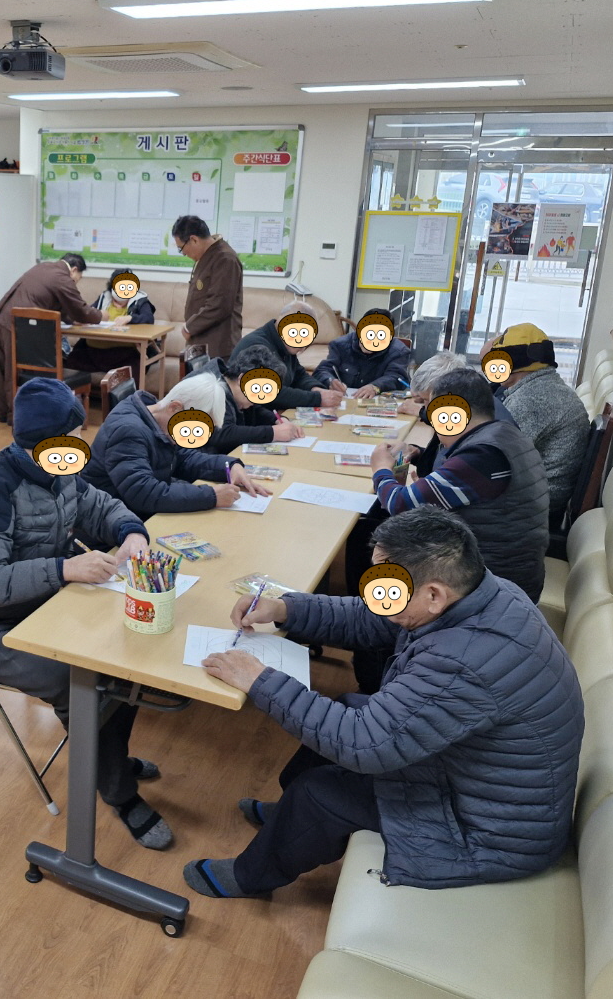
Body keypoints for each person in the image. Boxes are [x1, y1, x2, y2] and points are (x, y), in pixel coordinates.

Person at [182, 507, 583, 900]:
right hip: (474, 779)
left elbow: (363, 744)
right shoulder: (482, 593)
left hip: (490, 832)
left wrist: (259, 680)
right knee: (347, 705)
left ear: (433, 594)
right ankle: (286, 817)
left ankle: (249, 877)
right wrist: (287, 608)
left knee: (319, 793)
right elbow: (370, 617)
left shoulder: (463, 662)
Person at [0, 379, 173, 849]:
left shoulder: (60, 470)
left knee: (124, 656)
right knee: (81, 681)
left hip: (37, 604)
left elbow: (100, 506)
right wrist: (65, 568)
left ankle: (110, 762)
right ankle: (119, 791)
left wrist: (131, 531)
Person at [369, 369, 549, 602]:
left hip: (492, 584)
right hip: (505, 569)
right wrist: (418, 453)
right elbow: (458, 474)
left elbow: (399, 504)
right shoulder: (502, 434)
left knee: (375, 539)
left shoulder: (482, 456)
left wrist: (381, 468)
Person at [82, 372, 266, 520]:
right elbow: (143, 493)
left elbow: (185, 458)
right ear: (175, 407)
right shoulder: (128, 431)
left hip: (142, 515)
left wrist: (229, 466)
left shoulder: (160, 420)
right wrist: (211, 496)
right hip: (113, 528)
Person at [491, 324, 591, 526]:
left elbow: (493, 457)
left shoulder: (534, 399)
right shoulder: (545, 387)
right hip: (537, 498)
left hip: (529, 509)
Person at [0, 253, 105, 422]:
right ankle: (17, 418)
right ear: (74, 270)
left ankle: (4, 414)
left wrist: (72, 320)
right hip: (16, 325)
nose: (76, 282)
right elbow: (81, 310)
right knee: (14, 371)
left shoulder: (43, 267)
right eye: (78, 278)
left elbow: (53, 302)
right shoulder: (62, 277)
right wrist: (101, 316)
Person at [231, 300, 346, 410]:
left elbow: (299, 375)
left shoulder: (284, 344)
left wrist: (316, 389)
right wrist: (317, 398)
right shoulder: (256, 345)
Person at [205, 346, 305, 451]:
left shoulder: (235, 390)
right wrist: (273, 433)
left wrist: (277, 420)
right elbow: (222, 433)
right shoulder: (211, 390)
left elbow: (255, 410)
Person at [63, 268, 156, 380]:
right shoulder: (104, 298)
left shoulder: (140, 300)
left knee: (135, 367)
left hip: (123, 353)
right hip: (93, 351)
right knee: (71, 361)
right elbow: (88, 313)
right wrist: (82, 319)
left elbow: (148, 318)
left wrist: (130, 318)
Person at [173, 215, 242, 358]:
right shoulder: (206, 255)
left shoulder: (225, 258)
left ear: (194, 239)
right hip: (200, 340)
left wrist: (190, 327)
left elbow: (220, 304)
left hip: (218, 344)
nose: (184, 253)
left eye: (181, 248)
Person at [313, 308, 413, 399]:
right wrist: (330, 381)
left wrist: (375, 387)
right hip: (345, 400)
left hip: (378, 402)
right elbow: (322, 370)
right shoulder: (340, 345)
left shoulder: (399, 351)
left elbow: (396, 377)